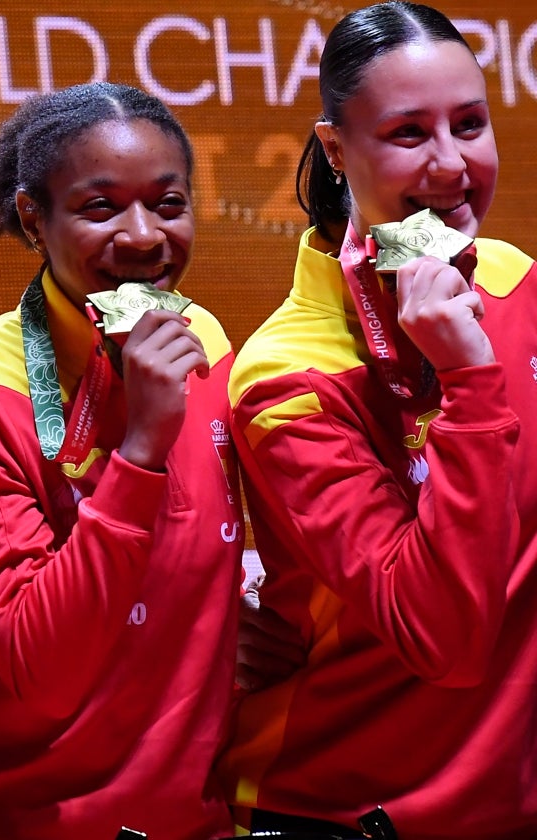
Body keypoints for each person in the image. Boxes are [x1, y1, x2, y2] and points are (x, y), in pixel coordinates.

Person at [217, 3, 537, 836]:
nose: (452, 165)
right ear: (334, 149)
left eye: (470, 124)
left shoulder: (516, 282)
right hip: (340, 812)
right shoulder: (286, 377)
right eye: (408, 133)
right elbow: (447, 642)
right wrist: (469, 375)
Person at [0, 82, 245, 840]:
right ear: (35, 217)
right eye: (101, 209)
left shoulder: (207, 341)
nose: (143, 238)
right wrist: (142, 451)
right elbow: (41, 660)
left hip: (200, 825)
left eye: (168, 204)